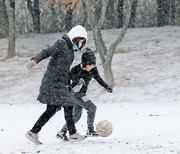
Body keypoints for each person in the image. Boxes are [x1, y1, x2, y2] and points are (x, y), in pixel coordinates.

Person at [25, 25, 88, 145]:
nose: (80, 44)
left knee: (51, 110)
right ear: (74, 37)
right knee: (68, 104)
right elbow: (47, 51)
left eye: (82, 42)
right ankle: (73, 134)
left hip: (59, 83)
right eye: (79, 41)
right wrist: (35, 60)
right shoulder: (61, 43)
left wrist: (75, 79)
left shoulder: (70, 51)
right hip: (52, 83)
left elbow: (65, 70)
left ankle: (33, 132)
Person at [56, 47, 113, 141]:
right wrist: (77, 80)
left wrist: (106, 86)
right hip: (75, 94)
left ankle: (62, 132)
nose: (91, 67)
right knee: (92, 107)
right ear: (84, 63)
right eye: (89, 65)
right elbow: (67, 76)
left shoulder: (93, 69)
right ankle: (90, 130)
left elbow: (98, 79)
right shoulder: (76, 69)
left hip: (81, 94)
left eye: (93, 65)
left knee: (76, 116)